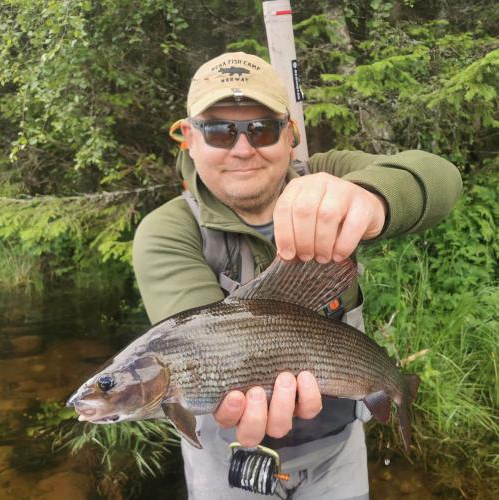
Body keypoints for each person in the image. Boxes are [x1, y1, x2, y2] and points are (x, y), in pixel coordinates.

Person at [132, 52, 462, 499]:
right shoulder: (169, 231)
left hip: (337, 451)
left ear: (290, 135)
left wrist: (370, 198)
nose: (242, 149)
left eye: (262, 129)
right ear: (189, 138)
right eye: (219, 131)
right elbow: (202, 345)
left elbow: (441, 177)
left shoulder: (329, 175)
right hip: (227, 461)